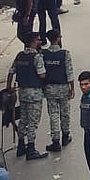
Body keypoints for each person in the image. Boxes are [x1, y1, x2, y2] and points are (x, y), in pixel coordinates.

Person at [7, 31, 48, 160]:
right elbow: (41, 74)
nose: (40, 42)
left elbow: (11, 72)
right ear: (32, 42)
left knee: (23, 119)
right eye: (38, 40)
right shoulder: (37, 57)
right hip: (34, 92)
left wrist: (9, 88)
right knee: (33, 122)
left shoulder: (19, 56)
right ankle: (31, 149)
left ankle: (20, 146)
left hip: (22, 92)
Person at [42, 28, 74, 152]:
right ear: (58, 38)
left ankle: (55, 141)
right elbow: (69, 72)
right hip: (63, 87)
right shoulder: (64, 54)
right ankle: (65, 136)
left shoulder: (43, 54)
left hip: (49, 88)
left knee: (53, 114)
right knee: (65, 112)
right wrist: (72, 87)